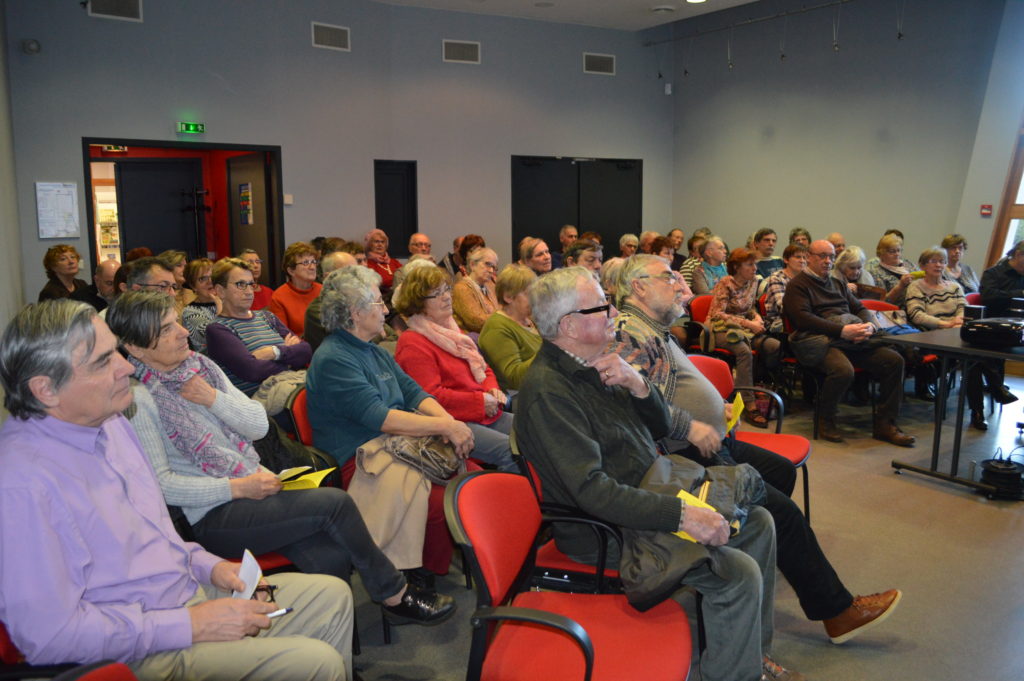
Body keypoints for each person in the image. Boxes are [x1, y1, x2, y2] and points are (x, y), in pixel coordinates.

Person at [0, 299, 354, 680]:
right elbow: (49, 637)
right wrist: (191, 625)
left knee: (331, 597)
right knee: (317, 662)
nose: (124, 368)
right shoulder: (21, 484)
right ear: (46, 389)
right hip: (140, 649)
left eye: (116, 352)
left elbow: (155, 536)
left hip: (184, 594)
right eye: (103, 362)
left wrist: (210, 565)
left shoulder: (111, 422)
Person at [514, 267, 802, 681]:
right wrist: (684, 515)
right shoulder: (549, 393)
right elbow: (593, 492)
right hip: (611, 528)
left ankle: (750, 657)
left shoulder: (599, 363)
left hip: (654, 489)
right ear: (569, 326)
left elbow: (661, 427)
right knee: (737, 573)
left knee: (758, 521)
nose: (614, 311)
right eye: (602, 305)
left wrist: (639, 386)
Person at [108, 290, 454, 630]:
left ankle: (330, 651)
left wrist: (212, 398)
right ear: (137, 347)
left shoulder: (201, 368)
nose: (184, 332)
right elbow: (163, 487)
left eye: (177, 323)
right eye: (167, 329)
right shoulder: (140, 400)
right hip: (211, 515)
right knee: (335, 504)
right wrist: (237, 487)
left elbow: (258, 424)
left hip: (254, 490)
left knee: (329, 556)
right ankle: (395, 594)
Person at [612, 254, 902, 645]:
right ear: (639, 287)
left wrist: (716, 412)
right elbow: (641, 408)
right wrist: (694, 425)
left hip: (712, 440)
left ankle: (762, 552)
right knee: (781, 511)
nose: (683, 287)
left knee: (781, 471)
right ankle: (836, 611)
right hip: (683, 456)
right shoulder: (631, 332)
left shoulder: (655, 328)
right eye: (670, 280)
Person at [306, 266, 477, 579]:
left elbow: (413, 392)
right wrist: (445, 427)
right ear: (356, 313)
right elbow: (379, 417)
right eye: (377, 303)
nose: (386, 309)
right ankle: (410, 580)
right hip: (360, 457)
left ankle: (437, 570)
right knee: (441, 503)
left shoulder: (374, 351)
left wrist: (449, 421)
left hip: (395, 444)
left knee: (473, 479)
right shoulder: (333, 358)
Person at [783, 240, 914, 446]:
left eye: (831, 257)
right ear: (809, 257)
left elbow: (859, 307)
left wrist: (869, 325)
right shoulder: (797, 285)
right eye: (822, 256)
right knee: (843, 370)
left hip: (849, 337)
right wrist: (842, 331)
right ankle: (826, 418)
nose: (828, 261)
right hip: (818, 340)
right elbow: (803, 319)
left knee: (894, 361)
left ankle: (885, 424)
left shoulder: (837, 282)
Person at [393, 266, 516, 473]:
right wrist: (480, 402)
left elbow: (483, 369)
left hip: (484, 411)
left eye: (446, 290)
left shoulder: (453, 330)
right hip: (453, 421)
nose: (447, 297)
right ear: (419, 303)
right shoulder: (413, 343)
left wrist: (492, 389)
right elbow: (430, 397)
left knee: (536, 432)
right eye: (437, 294)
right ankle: (522, 502)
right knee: (511, 450)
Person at [206, 258, 312, 396]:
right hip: (263, 406)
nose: (249, 291)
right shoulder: (218, 329)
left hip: (293, 390)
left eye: (251, 284)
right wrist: (289, 358)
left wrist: (274, 352)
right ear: (220, 291)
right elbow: (252, 370)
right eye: (240, 284)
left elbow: (306, 351)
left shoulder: (267, 317)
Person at [708, 248, 781, 427]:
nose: (755, 268)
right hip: (720, 329)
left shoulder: (753, 282)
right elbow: (716, 314)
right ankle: (748, 403)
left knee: (774, 346)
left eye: (754, 264)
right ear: (737, 267)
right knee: (743, 351)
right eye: (750, 264)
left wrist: (756, 317)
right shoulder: (726, 283)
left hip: (742, 328)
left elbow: (749, 308)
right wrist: (749, 324)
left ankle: (757, 385)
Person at [478, 264, 541, 391]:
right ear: (508, 297)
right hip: (523, 397)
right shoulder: (497, 327)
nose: (536, 298)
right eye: (529, 293)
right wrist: (551, 346)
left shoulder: (530, 319)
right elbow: (515, 379)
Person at [305, 250, 359, 351]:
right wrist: (377, 334)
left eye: (356, 272)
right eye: (349, 272)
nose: (356, 278)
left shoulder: (358, 300)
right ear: (328, 277)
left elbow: (389, 333)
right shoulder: (317, 309)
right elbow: (355, 340)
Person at [267, 241, 322, 337]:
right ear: (291, 270)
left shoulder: (323, 290)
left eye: (313, 262)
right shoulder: (279, 297)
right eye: (306, 263)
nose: (312, 267)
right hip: (299, 348)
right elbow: (281, 336)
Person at [763, 243, 809, 333]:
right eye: (798, 257)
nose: (802, 261)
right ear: (786, 260)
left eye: (804, 257)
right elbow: (784, 307)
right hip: (779, 323)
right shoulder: (777, 278)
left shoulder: (807, 277)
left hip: (804, 318)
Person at [452, 246, 499, 332]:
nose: (491, 270)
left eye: (494, 267)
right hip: (472, 340)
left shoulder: (490, 287)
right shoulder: (461, 288)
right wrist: (503, 319)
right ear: (473, 265)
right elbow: (476, 322)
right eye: (488, 264)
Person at [180, 257, 221, 353]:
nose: (210, 281)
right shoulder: (190, 312)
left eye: (213, 277)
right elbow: (218, 337)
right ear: (193, 285)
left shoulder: (227, 302)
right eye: (203, 279)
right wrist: (220, 306)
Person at [866, 234, 916, 306]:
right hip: (897, 312)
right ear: (881, 253)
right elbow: (882, 302)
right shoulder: (875, 273)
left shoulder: (908, 264)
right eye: (892, 251)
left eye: (899, 250)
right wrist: (900, 286)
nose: (897, 254)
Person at [979, 241, 1024, 316]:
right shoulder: (992, 273)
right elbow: (988, 297)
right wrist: (1021, 293)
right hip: (997, 321)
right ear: (1018, 255)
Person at [363, 228, 401, 293]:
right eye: (376, 242)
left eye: (382, 242)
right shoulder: (366, 263)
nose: (380, 245)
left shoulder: (394, 262)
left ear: (386, 245)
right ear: (369, 244)